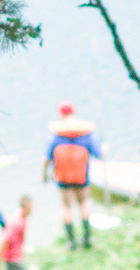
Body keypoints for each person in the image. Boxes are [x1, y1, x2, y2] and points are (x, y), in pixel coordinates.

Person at [43, 102, 102, 249]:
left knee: (66, 207)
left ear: (60, 114)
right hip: (82, 175)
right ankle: (87, 239)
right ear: (74, 112)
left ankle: (71, 242)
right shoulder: (87, 132)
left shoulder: (55, 134)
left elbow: (46, 158)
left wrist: (44, 175)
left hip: (62, 176)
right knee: (83, 204)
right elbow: (98, 153)